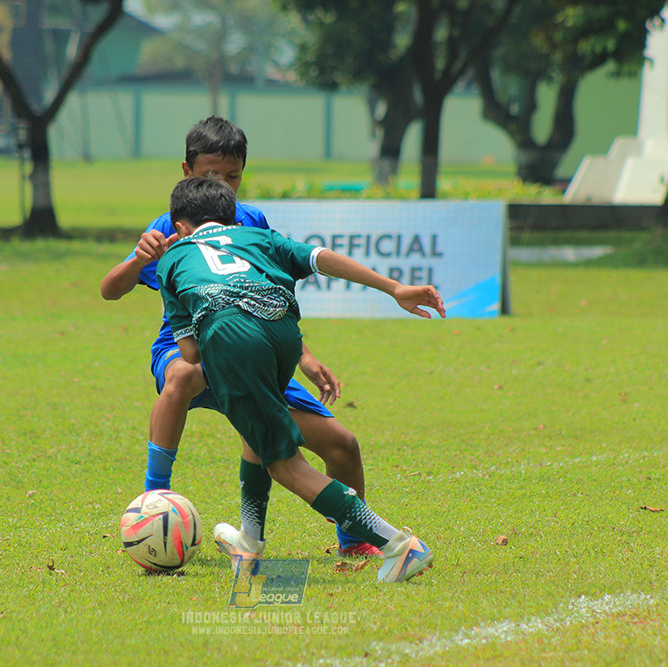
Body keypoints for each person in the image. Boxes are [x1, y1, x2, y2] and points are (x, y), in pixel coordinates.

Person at [100, 116, 380, 557]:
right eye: (212, 175)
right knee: (185, 374)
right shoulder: (172, 226)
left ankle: (353, 543)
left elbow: (266, 297)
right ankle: (154, 504)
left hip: (251, 350)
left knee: (342, 445)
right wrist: (137, 261)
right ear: (187, 171)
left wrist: (304, 358)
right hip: (187, 346)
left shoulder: (250, 222)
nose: (224, 186)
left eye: (232, 176)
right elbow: (109, 290)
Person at [157, 177, 445, 582]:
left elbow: (189, 355)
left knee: (286, 466)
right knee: (254, 432)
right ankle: (249, 543)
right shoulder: (258, 237)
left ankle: (398, 546)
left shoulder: (172, 257)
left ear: (178, 225)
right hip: (284, 335)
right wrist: (393, 287)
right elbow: (321, 257)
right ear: (230, 217)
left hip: (233, 337)